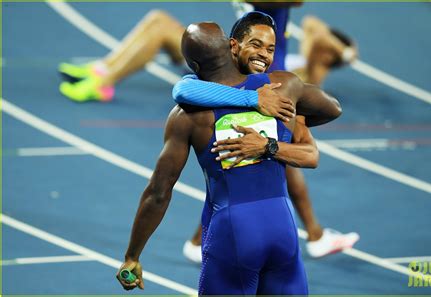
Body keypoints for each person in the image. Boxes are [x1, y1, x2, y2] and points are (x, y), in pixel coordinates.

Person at [116, 22, 341, 294]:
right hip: (282, 225)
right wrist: (295, 120)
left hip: (233, 231)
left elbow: (158, 193)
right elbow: (332, 108)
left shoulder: (187, 115)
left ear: (193, 67)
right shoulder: (282, 86)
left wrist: (132, 255)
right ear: (232, 47)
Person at [176, 11, 359, 263]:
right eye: (256, 44)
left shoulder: (279, 84)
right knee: (237, 179)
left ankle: (314, 235)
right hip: (261, 93)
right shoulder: (220, 79)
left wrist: (295, 120)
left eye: (269, 47)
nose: (264, 52)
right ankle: (314, 235)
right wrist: (253, 99)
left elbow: (331, 110)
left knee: (260, 171)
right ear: (233, 46)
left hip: (274, 93)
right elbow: (183, 88)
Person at [57, 4, 357, 101]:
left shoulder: (314, 68)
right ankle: (103, 68)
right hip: (232, 53)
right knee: (158, 20)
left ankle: (103, 82)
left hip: (234, 68)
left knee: (161, 26)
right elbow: (313, 24)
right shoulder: (299, 50)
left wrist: (346, 52)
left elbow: (317, 33)